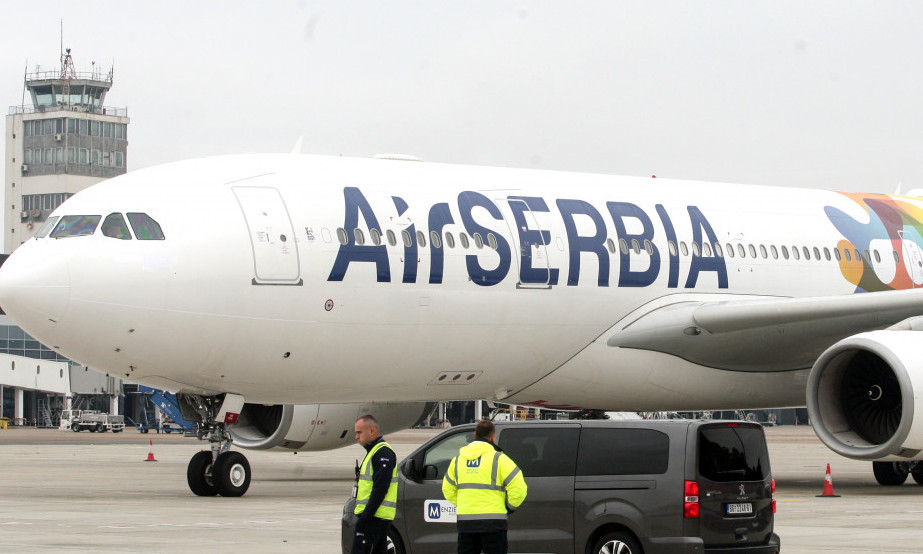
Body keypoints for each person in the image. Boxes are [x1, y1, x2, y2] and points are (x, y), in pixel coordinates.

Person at [442, 419, 527, 554]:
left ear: (475, 436)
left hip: (466, 524)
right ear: (492, 437)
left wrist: (465, 504)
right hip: (494, 524)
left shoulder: (458, 460)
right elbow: (519, 488)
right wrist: (508, 507)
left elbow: (447, 489)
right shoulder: (499, 459)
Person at [350, 414, 398, 553]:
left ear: (371, 431)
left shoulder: (382, 453)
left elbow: (380, 488)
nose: (356, 437)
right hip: (377, 518)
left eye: (359, 432)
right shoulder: (374, 452)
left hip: (374, 518)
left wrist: (365, 517)